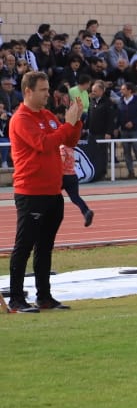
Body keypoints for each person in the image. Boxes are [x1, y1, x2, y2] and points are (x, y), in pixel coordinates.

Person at [8, 71, 83, 312]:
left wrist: (77, 120)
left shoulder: (48, 115)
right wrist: (68, 124)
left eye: (48, 89)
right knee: (24, 246)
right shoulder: (21, 119)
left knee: (45, 247)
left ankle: (45, 296)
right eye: (43, 90)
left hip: (52, 192)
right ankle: (17, 298)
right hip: (31, 192)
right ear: (28, 91)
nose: (47, 94)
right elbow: (43, 144)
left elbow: (68, 141)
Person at [115, 80, 137, 178]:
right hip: (124, 130)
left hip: (135, 130)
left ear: (129, 91)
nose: (121, 91)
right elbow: (118, 115)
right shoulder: (121, 101)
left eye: (123, 89)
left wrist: (133, 122)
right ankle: (131, 172)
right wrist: (117, 127)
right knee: (126, 151)